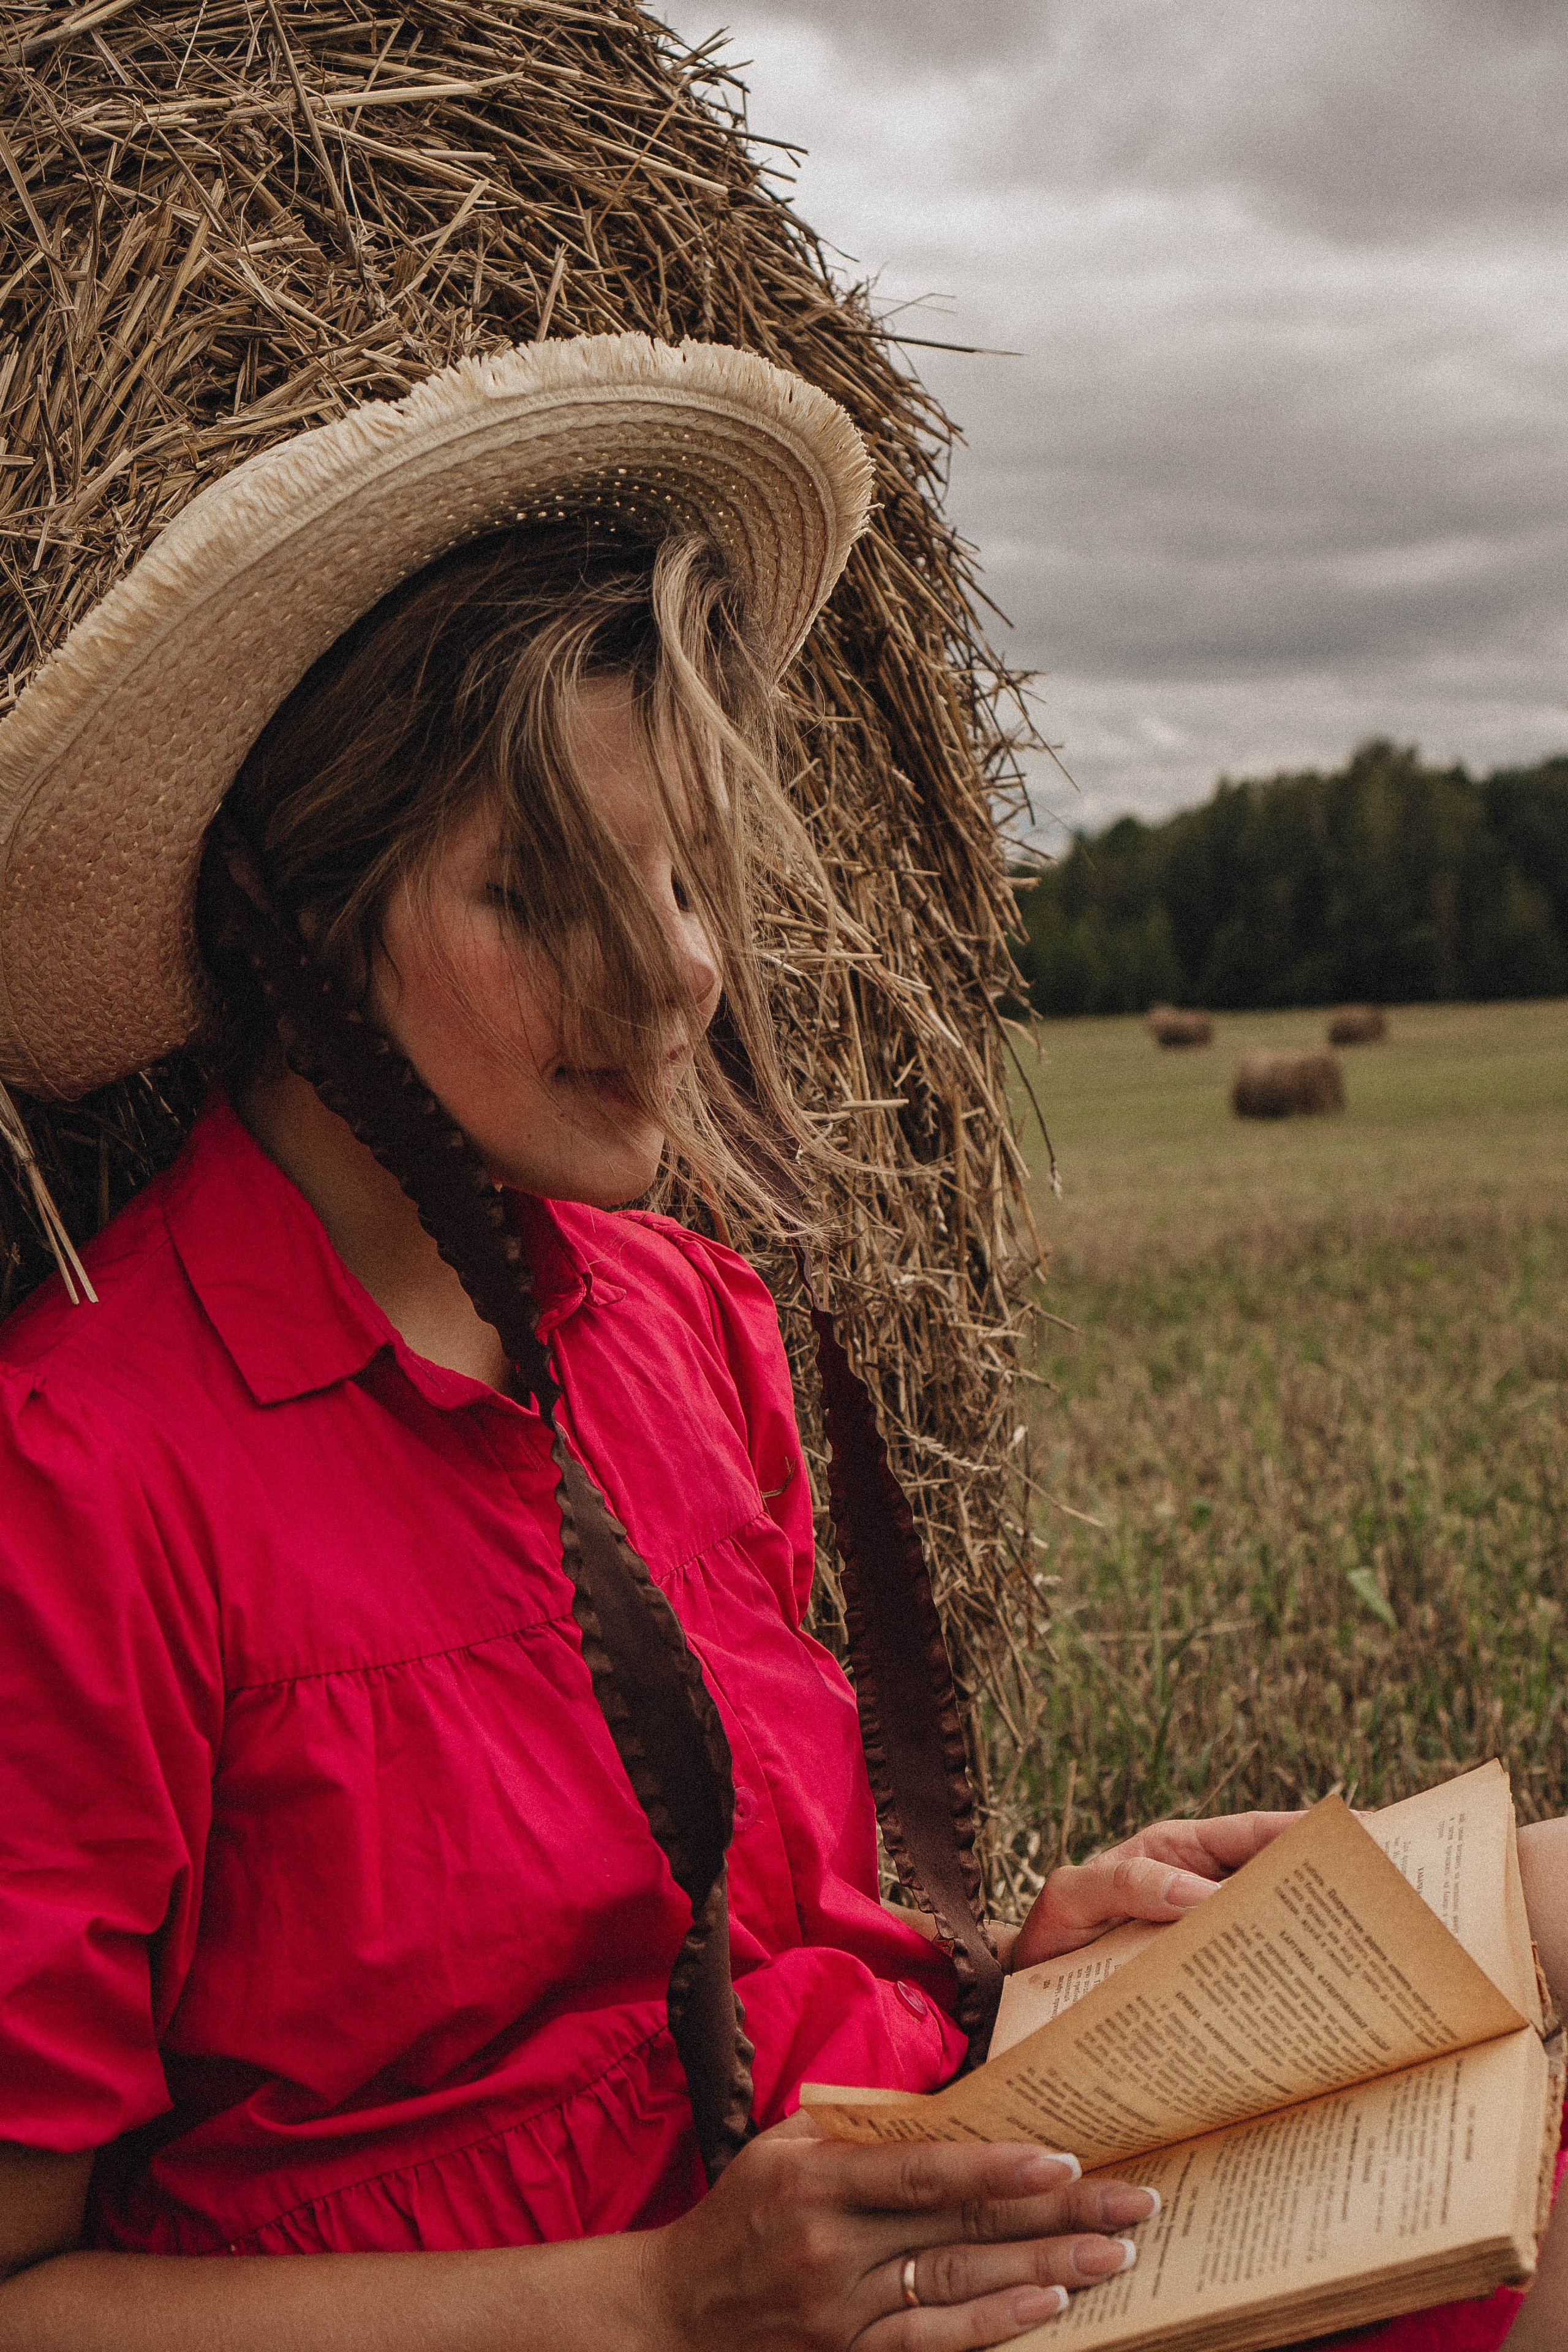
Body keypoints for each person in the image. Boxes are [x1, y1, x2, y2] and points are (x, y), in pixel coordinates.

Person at [0, 334, 1559, 2351]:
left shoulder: (685, 1322)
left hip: (927, 2221)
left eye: (675, 874)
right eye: (541, 892)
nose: (677, 976)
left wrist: (1007, 1967)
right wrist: (661, 2302)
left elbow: (719, 1943)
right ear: (291, 934)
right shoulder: (82, 1479)